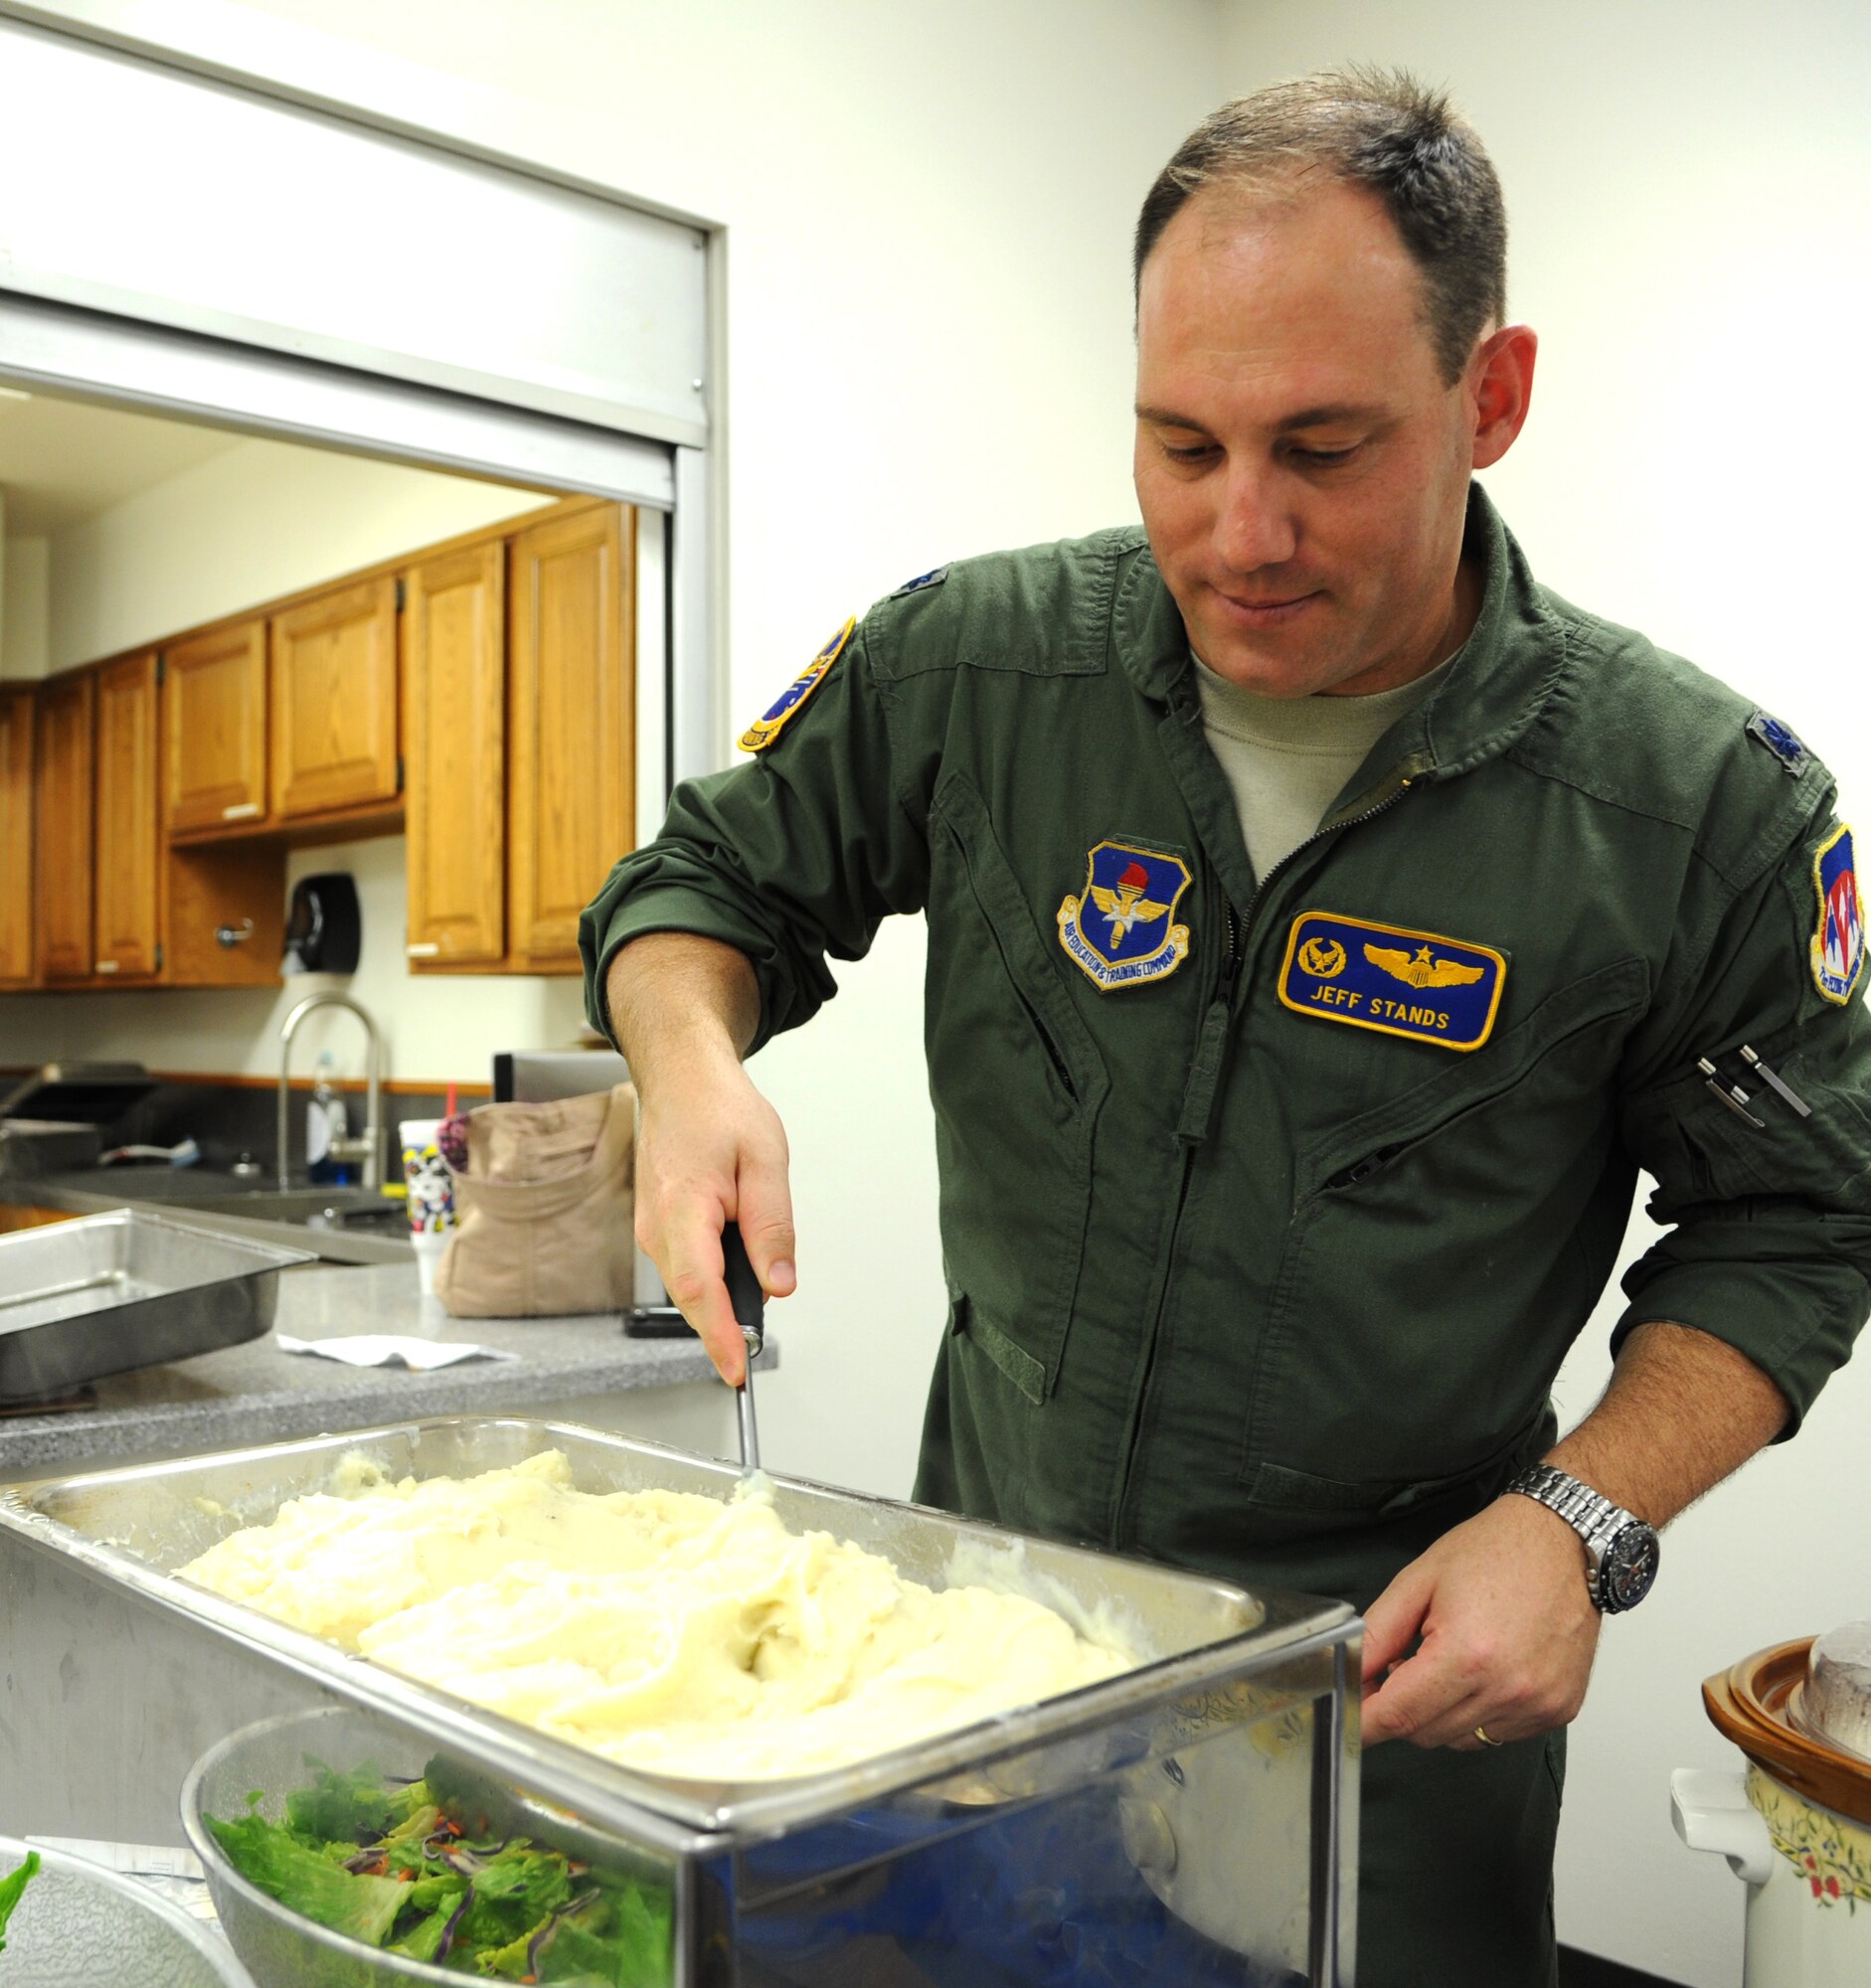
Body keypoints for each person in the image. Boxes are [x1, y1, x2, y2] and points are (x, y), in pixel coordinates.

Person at [578, 67, 1871, 1988]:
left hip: (1381, 1714)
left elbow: (1805, 1216)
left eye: (1322, 449)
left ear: (1488, 398)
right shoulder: (973, 663)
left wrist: (1582, 1517)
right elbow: (703, 885)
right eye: (1178, 444)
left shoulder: (1700, 811)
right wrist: (685, 1067)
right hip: (972, 1673)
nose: (1239, 532)